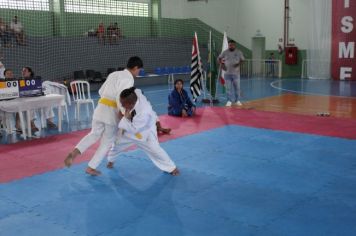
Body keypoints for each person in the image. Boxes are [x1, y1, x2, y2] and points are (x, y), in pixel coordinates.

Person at [64, 56, 143, 176]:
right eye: (139, 70)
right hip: (111, 112)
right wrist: (123, 112)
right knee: (107, 141)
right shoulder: (128, 79)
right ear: (136, 67)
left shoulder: (114, 74)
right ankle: (91, 167)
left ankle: (74, 152)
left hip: (100, 107)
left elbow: (101, 91)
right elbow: (121, 96)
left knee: (93, 134)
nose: (138, 73)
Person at [106, 87, 180, 176]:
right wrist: (126, 115)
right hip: (132, 126)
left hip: (145, 131)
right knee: (117, 143)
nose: (121, 106)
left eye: (123, 104)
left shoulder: (143, 112)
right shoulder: (136, 94)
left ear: (131, 104)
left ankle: (172, 167)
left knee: (155, 149)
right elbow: (137, 90)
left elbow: (134, 129)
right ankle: (111, 160)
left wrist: (124, 118)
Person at [218, 39, 245, 107]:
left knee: (237, 88)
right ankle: (229, 101)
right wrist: (222, 65)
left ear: (234, 45)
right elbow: (219, 58)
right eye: (230, 45)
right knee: (228, 89)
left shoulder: (239, 52)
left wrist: (238, 64)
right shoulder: (225, 52)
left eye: (232, 45)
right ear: (228, 45)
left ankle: (237, 100)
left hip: (236, 74)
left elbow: (243, 60)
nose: (231, 46)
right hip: (227, 74)